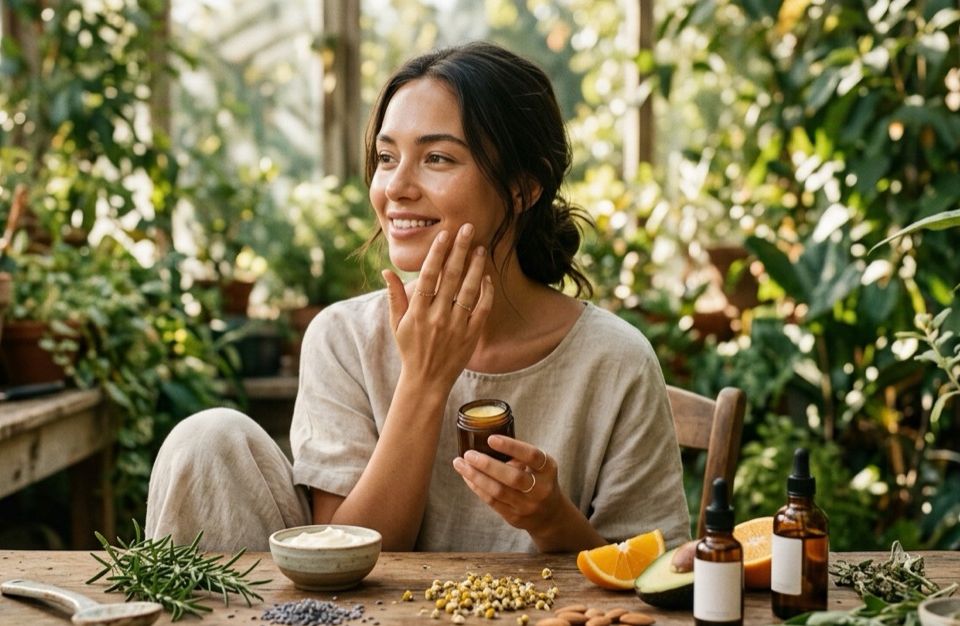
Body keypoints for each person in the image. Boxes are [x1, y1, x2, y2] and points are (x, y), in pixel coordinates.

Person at [146, 41, 690, 553]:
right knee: (207, 438)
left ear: (525, 187)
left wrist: (551, 518)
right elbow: (347, 558)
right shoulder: (343, 339)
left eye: (437, 159)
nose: (395, 188)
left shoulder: (615, 359)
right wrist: (426, 380)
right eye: (386, 158)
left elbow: (648, 575)